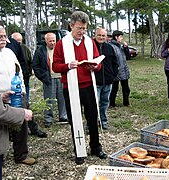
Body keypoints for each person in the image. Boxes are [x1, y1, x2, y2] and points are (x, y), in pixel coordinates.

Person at [52, 11, 107, 165]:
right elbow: (55, 66)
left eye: (84, 28)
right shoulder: (62, 43)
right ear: (71, 26)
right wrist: (67, 66)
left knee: (92, 118)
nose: (82, 32)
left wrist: (95, 66)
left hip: (88, 85)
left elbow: (98, 61)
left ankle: (95, 147)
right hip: (70, 87)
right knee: (75, 119)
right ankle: (79, 150)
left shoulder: (89, 42)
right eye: (78, 28)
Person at [0, 24, 35, 165]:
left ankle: (21, 155)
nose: (3, 39)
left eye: (4, 35)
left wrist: (23, 90)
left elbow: (18, 71)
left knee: (21, 126)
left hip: (16, 95)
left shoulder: (9, 52)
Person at [11, 32, 47, 138]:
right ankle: (15, 131)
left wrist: (28, 73)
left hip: (24, 81)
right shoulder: (9, 51)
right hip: (13, 83)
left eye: (20, 41)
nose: (19, 43)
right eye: (16, 41)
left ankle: (33, 128)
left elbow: (29, 62)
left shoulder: (25, 49)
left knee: (26, 104)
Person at [33, 32, 68, 127]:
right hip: (49, 78)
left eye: (54, 40)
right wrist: (42, 77)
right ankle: (48, 118)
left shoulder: (61, 49)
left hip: (61, 77)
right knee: (49, 100)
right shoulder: (40, 51)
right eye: (50, 41)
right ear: (46, 41)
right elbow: (36, 66)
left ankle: (63, 116)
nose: (52, 43)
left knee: (62, 98)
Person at [94, 27, 119, 129]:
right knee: (94, 104)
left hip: (108, 81)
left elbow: (115, 63)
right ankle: (92, 123)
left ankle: (103, 121)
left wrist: (113, 75)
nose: (101, 37)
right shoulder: (91, 47)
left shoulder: (109, 48)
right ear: (95, 35)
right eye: (99, 35)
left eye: (103, 35)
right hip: (95, 81)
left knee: (105, 102)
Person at [109, 30, 131, 107]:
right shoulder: (111, 46)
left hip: (124, 70)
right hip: (116, 71)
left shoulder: (121, 46)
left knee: (126, 88)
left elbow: (127, 57)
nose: (122, 38)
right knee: (114, 88)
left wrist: (126, 48)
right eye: (120, 37)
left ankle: (126, 102)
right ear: (116, 37)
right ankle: (112, 103)